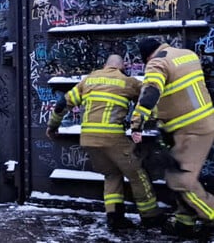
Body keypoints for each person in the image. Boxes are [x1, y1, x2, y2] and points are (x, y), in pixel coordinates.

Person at [46, 54, 164, 231]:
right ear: (122, 67)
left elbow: (62, 103)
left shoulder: (88, 80)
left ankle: (114, 218)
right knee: (136, 173)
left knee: (111, 174)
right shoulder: (128, 81)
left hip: (88, 139)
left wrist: (52, 126)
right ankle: (150, 217)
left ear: (105, 66)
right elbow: (149, 97)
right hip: (113, 138)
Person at [130, 37, 214, 238]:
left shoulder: (157, 63)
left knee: (179, 179)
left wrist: (137, 120)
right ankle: (185, 222)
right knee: (181, 175)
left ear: (146, 56)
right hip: (201, 124)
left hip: (189, 130)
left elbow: (151, 90)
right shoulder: (188, 55)